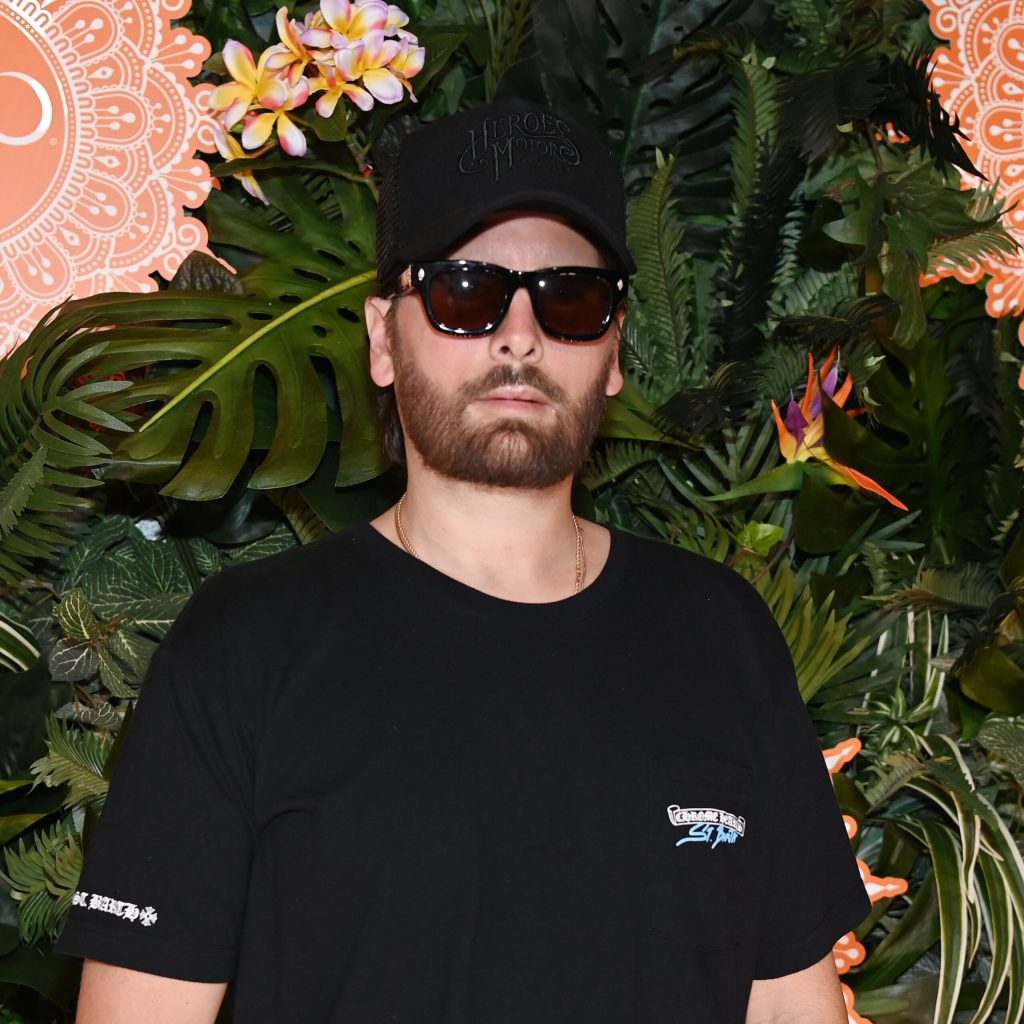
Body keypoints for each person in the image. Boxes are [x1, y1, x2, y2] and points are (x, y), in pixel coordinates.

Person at [58, 97, 870, 1023]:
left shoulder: (720, 634)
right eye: (465, 292)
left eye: (570, 297)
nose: (520, 335)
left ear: (613, 350)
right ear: (382, 338)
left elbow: (791, 1006)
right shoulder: (246, 645)